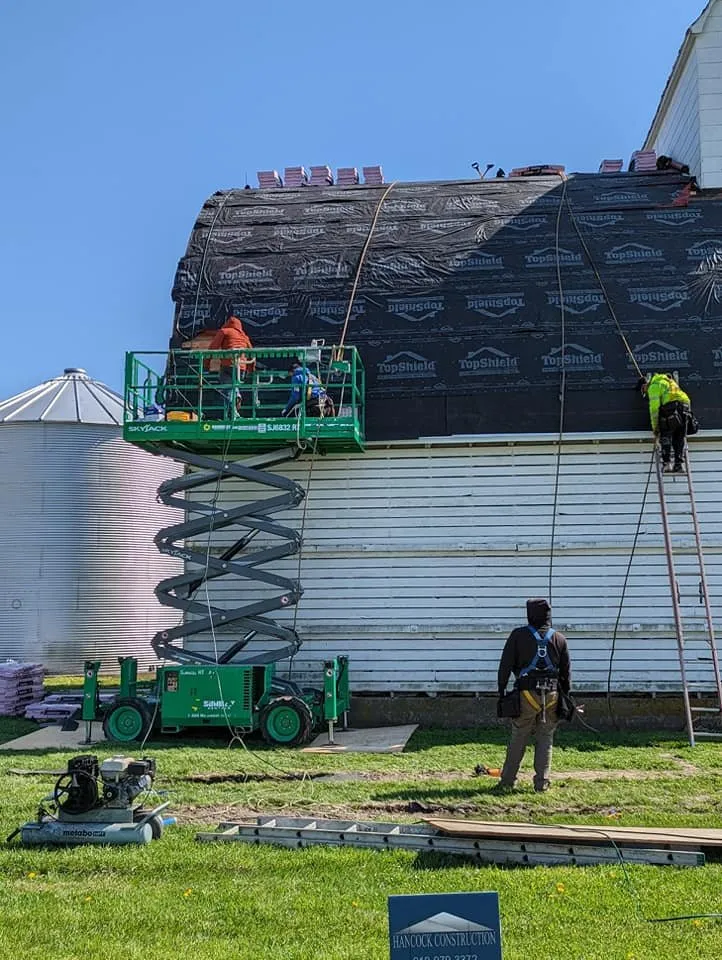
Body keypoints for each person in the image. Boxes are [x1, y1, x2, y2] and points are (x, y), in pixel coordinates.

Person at [495, 598, 571, 793]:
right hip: (552, 695)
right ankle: (541, 784)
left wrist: (502, 690)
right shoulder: (559, 638)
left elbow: (505, 665)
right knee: (545, 739)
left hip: (526, 694)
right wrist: (566, 696)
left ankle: (507, 781)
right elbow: (566, 672)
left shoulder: (518, 636)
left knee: (519, 736)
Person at [637, 372, 691, 473]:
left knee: (665, 434)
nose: (646, 395)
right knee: (679, 437)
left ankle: (667, 464)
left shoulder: (653, 386)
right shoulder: (668, 382)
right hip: (685, 408)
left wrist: (656, 428)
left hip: (671, 409)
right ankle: (679, 465)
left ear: (644, 386)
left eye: (644, 392)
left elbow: (654, 409)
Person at [206, 316, 255, 418]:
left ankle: (231, 413)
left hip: (228, 365)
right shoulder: (244, 337)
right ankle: (237, 397)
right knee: (234, 386)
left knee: (227, 389)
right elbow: (252, 353)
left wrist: (206, 364)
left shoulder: (224, 331)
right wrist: (251, 370)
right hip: (241, 368)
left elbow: (212, 348)